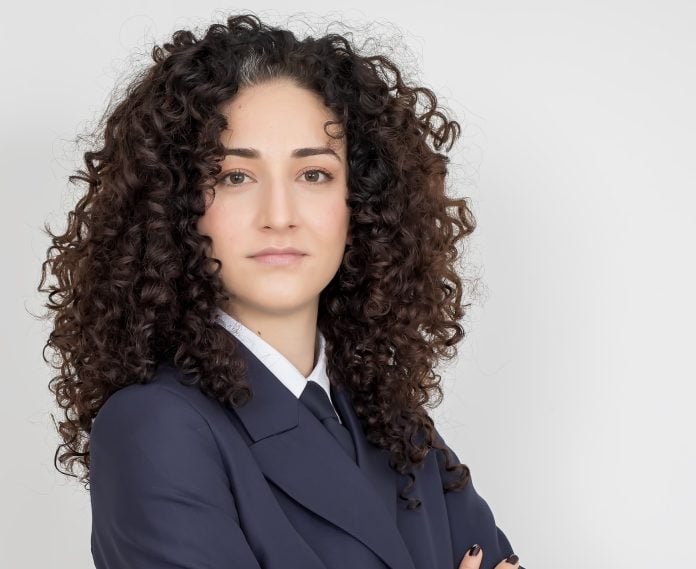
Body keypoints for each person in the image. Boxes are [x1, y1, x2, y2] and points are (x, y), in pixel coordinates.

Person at [38, 12, 525, 569]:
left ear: (363, 201)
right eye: (234, 176)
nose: (279, 215)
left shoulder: (393, 423)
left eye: (313, 174)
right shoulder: (154, 428)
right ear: (174, 206)